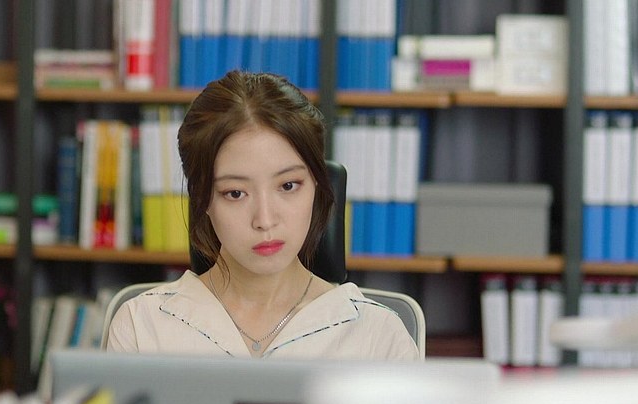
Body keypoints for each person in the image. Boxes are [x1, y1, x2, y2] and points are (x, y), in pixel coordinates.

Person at [107, 70, 418, 360]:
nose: (265, 220)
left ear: (317, 185)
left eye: (288, 186)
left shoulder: (378, 335)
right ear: (202, 198)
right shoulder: (142, 326)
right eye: (235, 193)